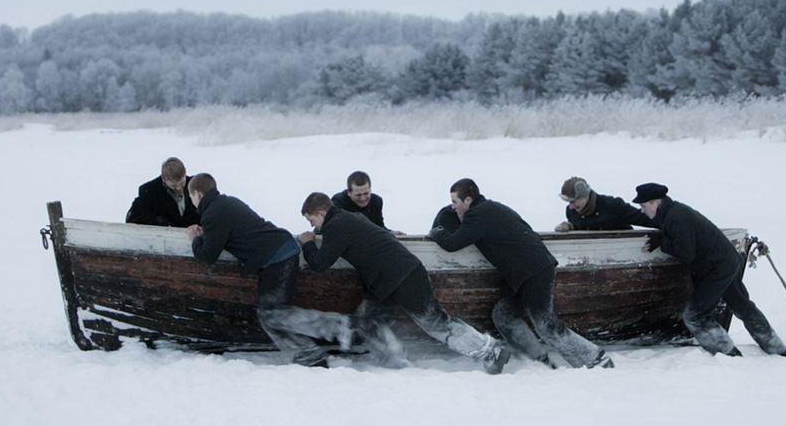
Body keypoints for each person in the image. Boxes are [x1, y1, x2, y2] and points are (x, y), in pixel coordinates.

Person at [298, 192, 511, 374]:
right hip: (386, 282)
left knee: (435, 323)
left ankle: (491, 351)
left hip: (404, 277)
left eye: (312, 221)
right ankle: (395, 362)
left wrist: (307, 243)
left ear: (322, 214)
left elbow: (319, 264)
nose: (312, 227)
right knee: (367, 320)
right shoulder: (345, 219)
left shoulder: (338, 226)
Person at [428, 178, 614, 370]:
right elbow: (453, 221)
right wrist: (446, 218)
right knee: (503, 315)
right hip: (525, 275)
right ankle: (539, 359)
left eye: (455, 202)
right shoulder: (488, 209)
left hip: (534, 272)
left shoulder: (478, 215)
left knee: (547, 326)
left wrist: (436, 232)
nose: (453, 207)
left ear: (467, 200)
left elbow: (452, 243)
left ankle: (596, 359)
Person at [186, 173, 352, 368]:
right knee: (272, 315)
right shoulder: (226, 203)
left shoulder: (213, 213)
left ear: (197, 193)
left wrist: (195, 238)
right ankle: (310, 350)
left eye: (191, 197)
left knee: (272, 315)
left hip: (278, 257)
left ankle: (334, 329)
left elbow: (208, 256)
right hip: (280, 252)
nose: (192, 201)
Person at [634, 182, 786, 358]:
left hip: (716, 268)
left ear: (655, 202)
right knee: (742, 306)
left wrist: (662, 243)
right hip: (727, 261)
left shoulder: (676, 217)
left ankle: (726, 353)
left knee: (694, 314)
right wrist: (663, 238)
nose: (642, 210)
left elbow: (686, 254)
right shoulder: (673, 212)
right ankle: (777, 348)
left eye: (643, 206)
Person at [555, 176, 655, 232]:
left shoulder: (612, 205)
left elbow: (643, 218)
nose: (571, 206)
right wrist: (571, 226)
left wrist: (665, 227)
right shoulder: (571, 211)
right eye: (568, 202)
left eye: (573, 201)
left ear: (584, 196)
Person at [125, 157, 201, 227]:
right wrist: (161, 222)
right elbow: (132, 217)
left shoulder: (197, 185)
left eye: (182, 183)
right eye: (173, 186)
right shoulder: (150, 191)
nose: (178, 188)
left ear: (185, 173)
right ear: (163, 179)